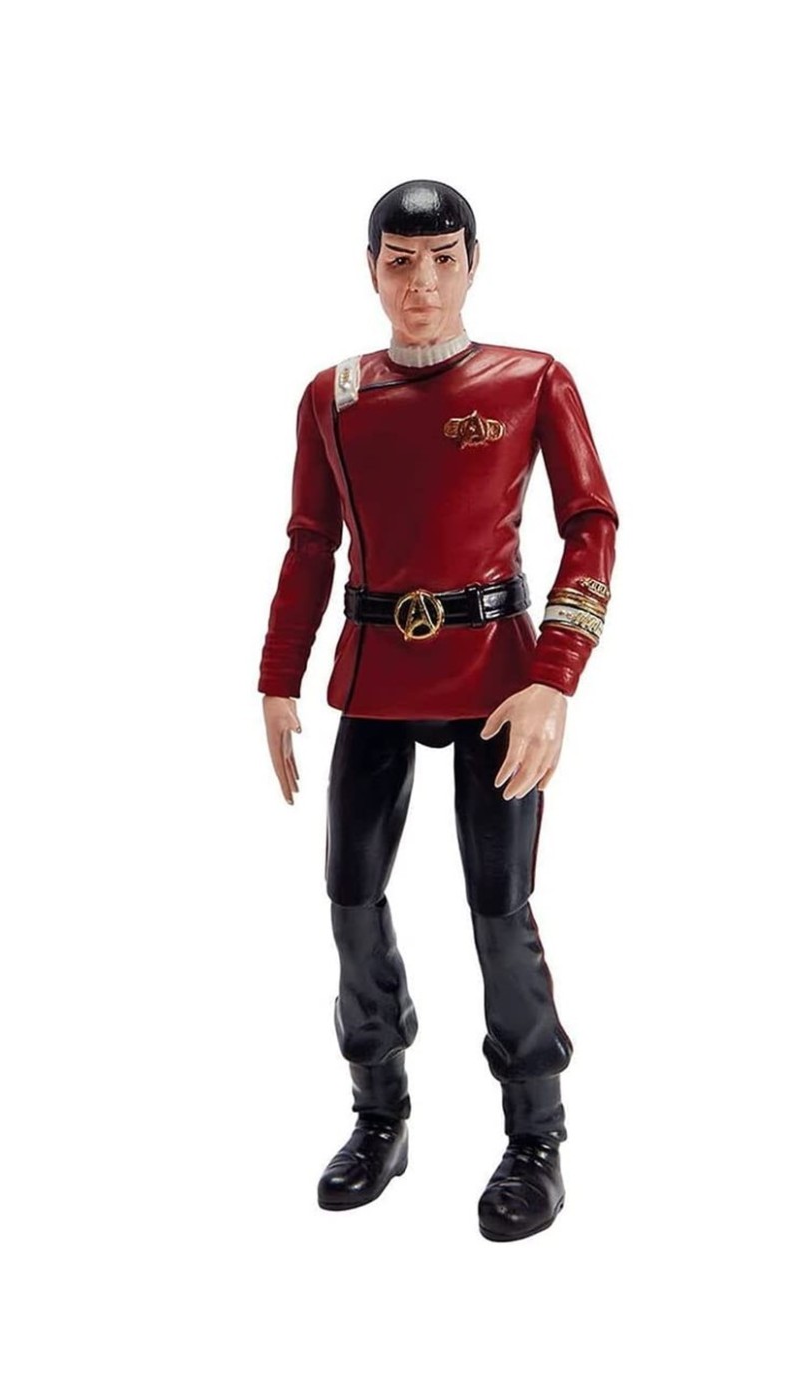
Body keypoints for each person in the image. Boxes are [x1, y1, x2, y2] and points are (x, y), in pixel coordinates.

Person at [258, 179, 618, 1242]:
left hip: (497, 678)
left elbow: (592, 523)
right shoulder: (331, 396)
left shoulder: (531, 379)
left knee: (499, 908)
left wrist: (555, 674)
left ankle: (535, 1132)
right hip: (374, 673)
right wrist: (277, 675)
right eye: (400, 260)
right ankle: (379, 1113)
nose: (421, 282)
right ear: (371, 267)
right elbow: (309, 543)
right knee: (350, 897)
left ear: (472, 264)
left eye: (443, 258)